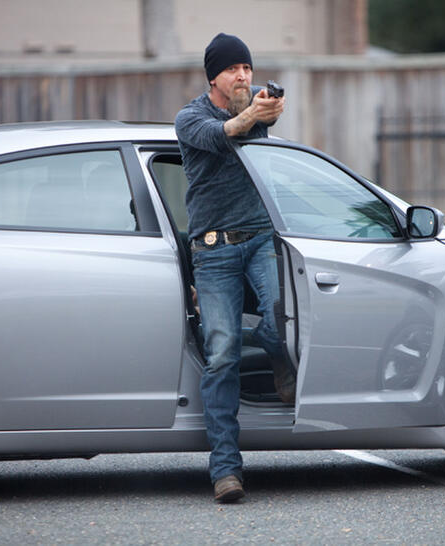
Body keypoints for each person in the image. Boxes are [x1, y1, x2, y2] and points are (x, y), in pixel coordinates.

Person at [174, 32, 296, 503]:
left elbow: (261, 119)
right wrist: (252, 114)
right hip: (213, 252)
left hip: (262, 238)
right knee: (222, 352)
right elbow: (224, 134)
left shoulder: (255, 107)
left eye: (246, 67)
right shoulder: (191, 118)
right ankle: (226, 469)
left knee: (283, 320)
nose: (242, 76)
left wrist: (269, 107)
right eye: (232, 70)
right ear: (213, 78)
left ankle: (279, 359)